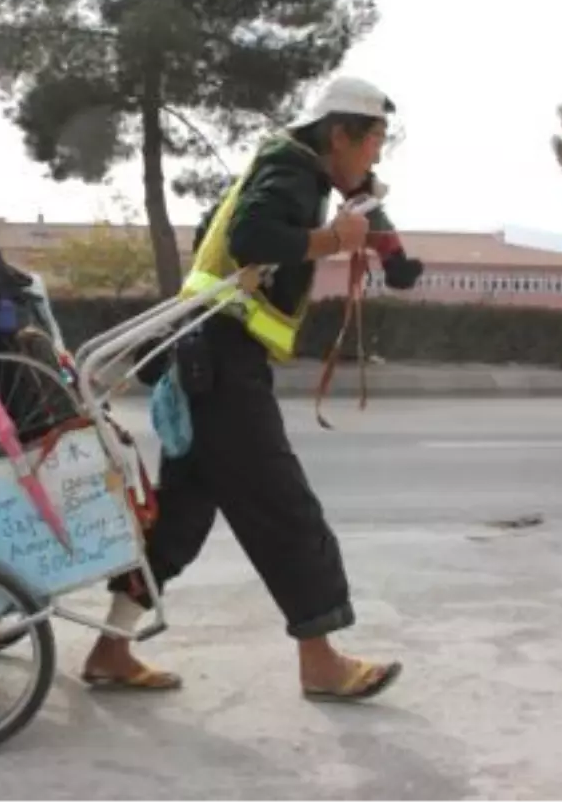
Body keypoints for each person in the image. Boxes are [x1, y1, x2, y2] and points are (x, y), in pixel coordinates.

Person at [80, 76, 423, 701]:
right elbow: (250, 241)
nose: (378, 153)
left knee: (178, 522)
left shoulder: (282, 168)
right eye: (374, 139)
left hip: (204, 359)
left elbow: (230, 228)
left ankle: (110, 648)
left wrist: (386, 248)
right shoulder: (293, 172)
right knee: (285, 511)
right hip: (223, 364)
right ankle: (320, 662)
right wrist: (331, 240)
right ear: (339, 133)